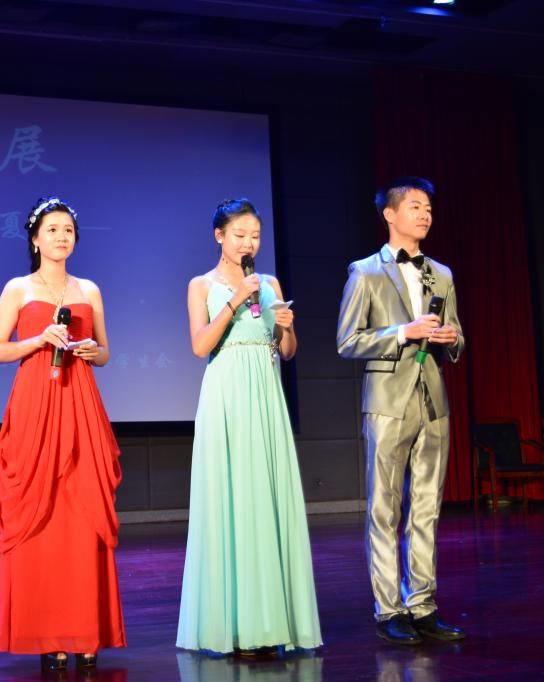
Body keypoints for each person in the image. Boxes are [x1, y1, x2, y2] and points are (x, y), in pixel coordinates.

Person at [177, 198, 321, 655]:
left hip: (266, 391)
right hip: (226, 395)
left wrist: (287, 328)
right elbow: (200, 346)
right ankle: (237, 627)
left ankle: (272, 622)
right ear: (219, 236)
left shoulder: (270, 283)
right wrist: (234, 301)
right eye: (239, 235)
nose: (248, 243)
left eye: (255, 236)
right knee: (234, 498)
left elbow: (287, 351)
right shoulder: (201, 284)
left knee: (268, 498)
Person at [0, 196, 126, 674]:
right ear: (34, 239)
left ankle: (86, 631)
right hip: (36, 402)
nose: (61, 237)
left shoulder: (88, 289)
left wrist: (90, 350)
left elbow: (105, 352)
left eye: (68, 230)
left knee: (82, 512)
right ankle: (47, 635)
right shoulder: (18, 288)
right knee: (40, 514)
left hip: (80, 401)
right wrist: (37, 340)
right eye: (52, 229)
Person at [337, 176, 466, 645]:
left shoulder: (442, 273)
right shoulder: (365, 272)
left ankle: (423, 606)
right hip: (388, 403)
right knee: (385, 509)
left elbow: (457, 336)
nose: (425, 214)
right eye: (415, 206)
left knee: (427, 508)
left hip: (433, 401)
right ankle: (389, 609)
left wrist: (450, 338)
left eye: (428, 207)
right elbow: (348, 341)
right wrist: (402, 332)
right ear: (389, 215)